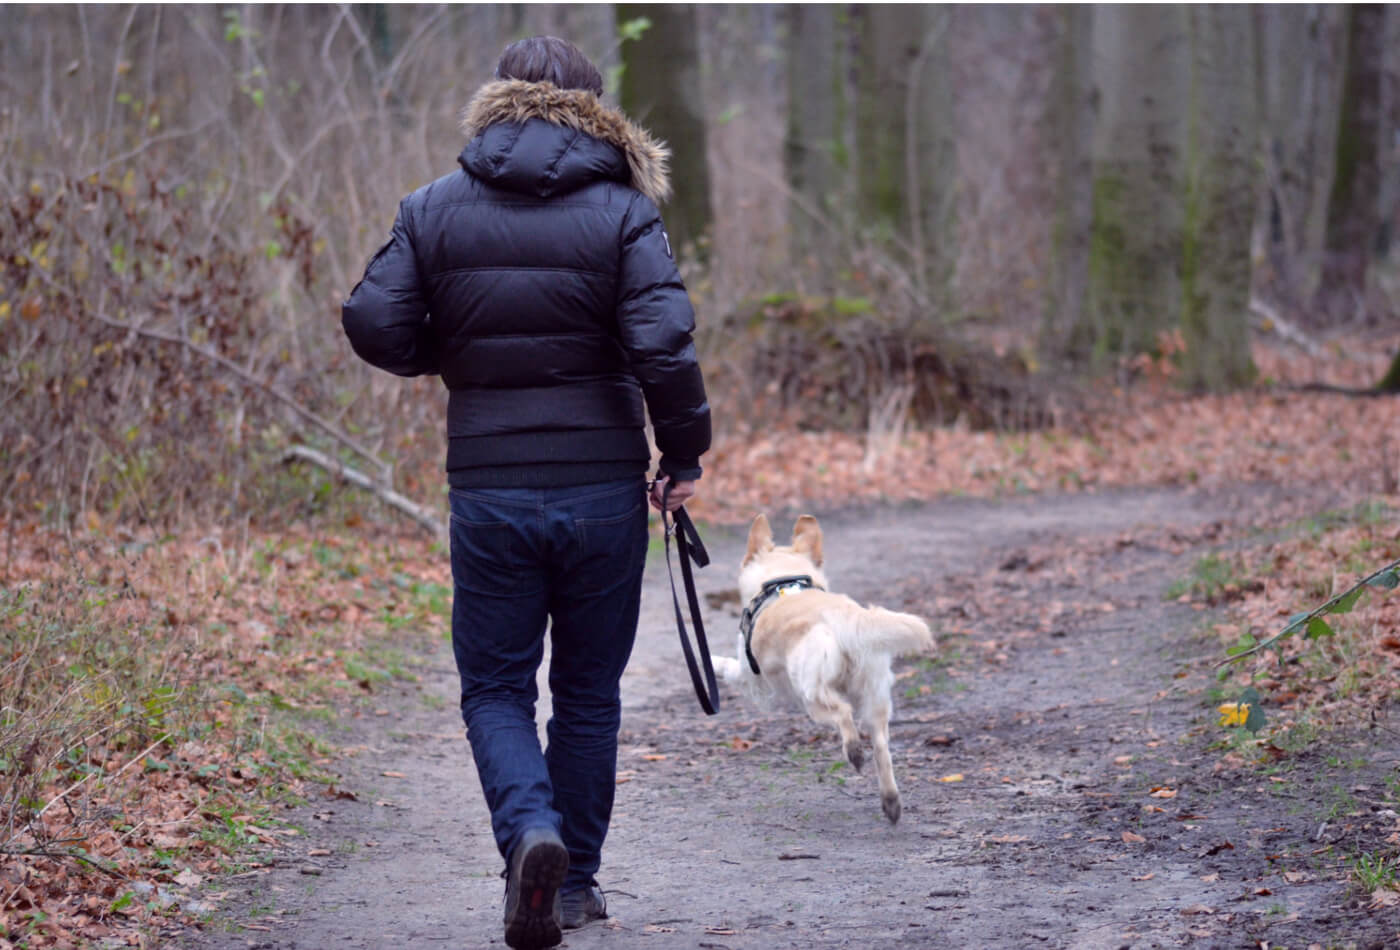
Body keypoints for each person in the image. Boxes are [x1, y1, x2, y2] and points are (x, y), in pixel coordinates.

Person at [341, 35, 711, 950]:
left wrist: (459, 355)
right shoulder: (626, 213)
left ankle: (527, 836)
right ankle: (574, 883)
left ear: (496, 101)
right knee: (588, 691)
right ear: (595, 110)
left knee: (496, 687)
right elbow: (663, 344)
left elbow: (372, 320)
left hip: (491, 485)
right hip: (600, 489)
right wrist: (685, 453)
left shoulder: (433, 208)